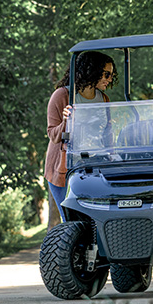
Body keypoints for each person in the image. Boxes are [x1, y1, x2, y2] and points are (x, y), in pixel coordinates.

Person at [44, 51, 117, 222]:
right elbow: (53, 134)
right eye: (106, 74)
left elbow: (107, 133)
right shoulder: (62, 96)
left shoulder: (103, 99)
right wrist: (66, 122)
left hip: (94, 168)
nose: (110, 79)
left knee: (97, 220)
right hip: (66, 170)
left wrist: (113, 156)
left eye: (112, 75)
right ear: (92, 70)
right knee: (72, 222)